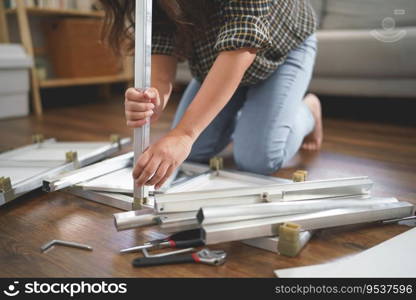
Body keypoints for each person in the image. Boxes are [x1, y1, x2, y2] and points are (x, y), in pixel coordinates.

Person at [100, 0, 323, 190]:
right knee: (193, 152)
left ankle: (309, 109)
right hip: (217, 61)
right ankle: (251, 115)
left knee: (258, 159)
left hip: (282, 48)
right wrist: (152, 98)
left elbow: (241, 46)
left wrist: (184, 134)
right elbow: (162, 51)